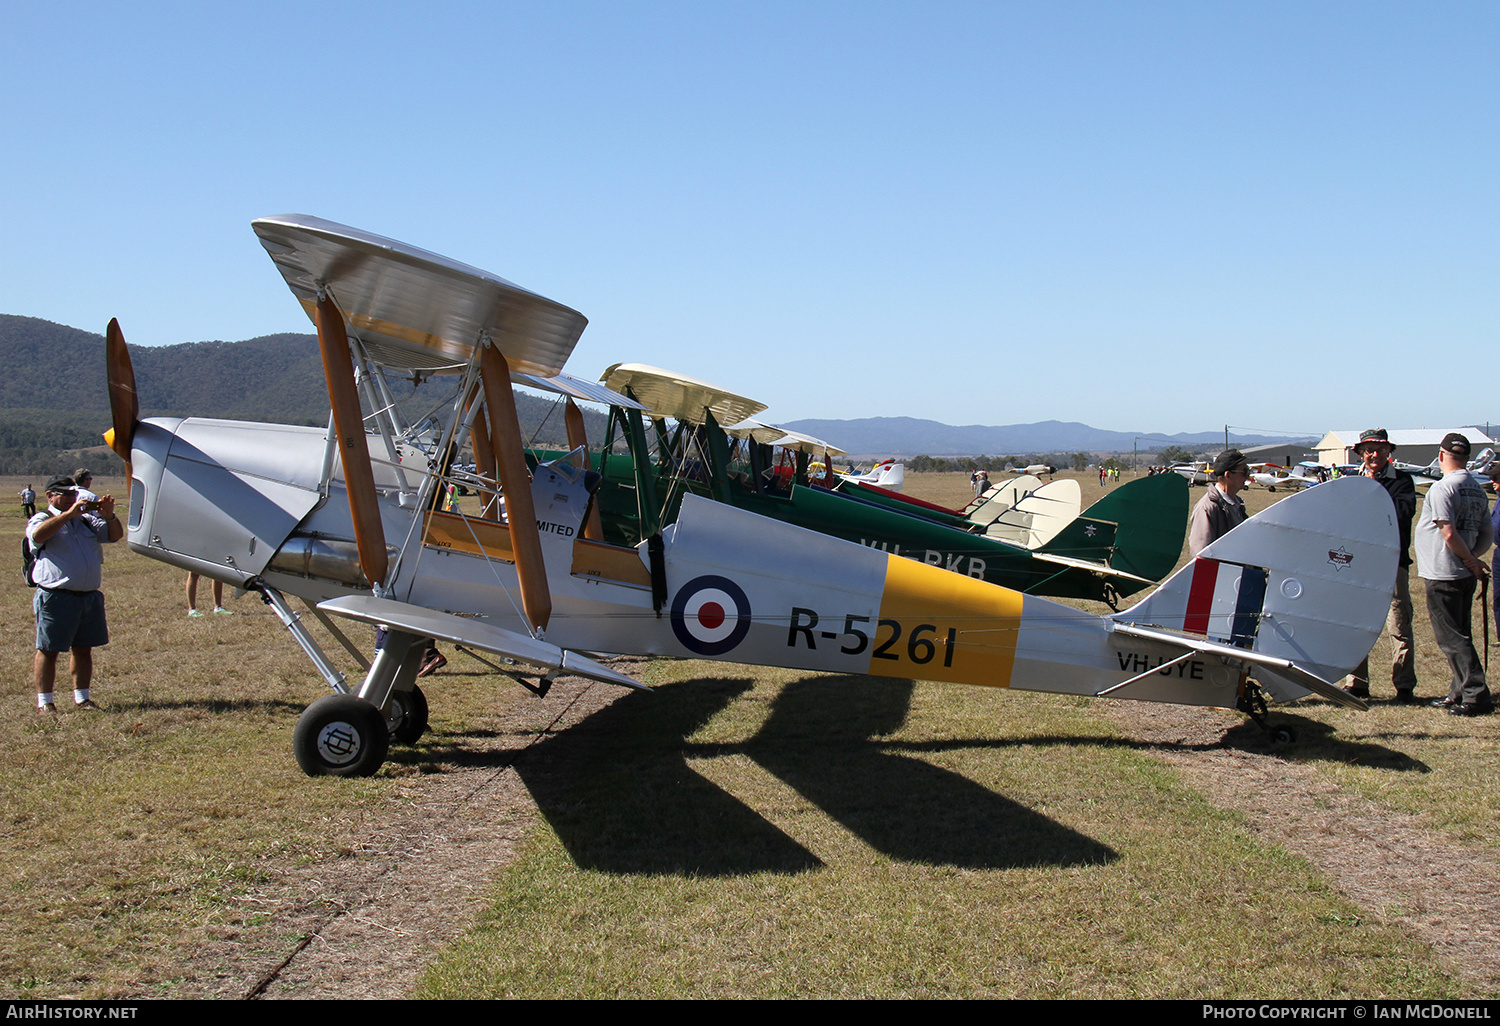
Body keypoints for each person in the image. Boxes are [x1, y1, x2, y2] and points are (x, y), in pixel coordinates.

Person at [26, 476, 124, 714]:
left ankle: (82, 699)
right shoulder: (42, 517)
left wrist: (109, 514)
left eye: (74, 493)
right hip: (56, 596)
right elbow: (37, 536)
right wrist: (68, 515)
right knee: (48, 649)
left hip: (88, 596)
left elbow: (115, 535)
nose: (72, 498)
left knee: (83, 648)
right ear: (50, 496)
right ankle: (45, 702)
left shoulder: (87, 522)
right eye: (65, 493)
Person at [1414, 433, 1494, 716]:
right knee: (1461, 633)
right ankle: (1458, 691)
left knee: (1451, 637)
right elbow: (1487, 532)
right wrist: (1473, 559)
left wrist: (1467, 559)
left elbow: (1448, 532)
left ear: (1441, 454)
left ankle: (1475, 694)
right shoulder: (1476, 488)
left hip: (1444, 570)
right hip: (1463, 571)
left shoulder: (1442, 488)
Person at [1345, 429, 1418, 702]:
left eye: (1379, 449)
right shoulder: (1351, 481)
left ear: (1389, 452)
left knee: (1399, 624)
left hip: (1392, 562)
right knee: (1355, 623)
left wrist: (1369, 502)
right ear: (1360, 453)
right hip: (1357, 562)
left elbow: (1401, 515)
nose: (1374, 455)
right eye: (1368, 449)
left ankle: (1404, 685)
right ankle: (1357, 684)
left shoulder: (1402, 482)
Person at [1187, 449, 1251, 559]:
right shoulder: (1207, 508)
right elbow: (1202, 555)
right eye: (1244, 472)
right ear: (1228, 475)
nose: (1247, 477)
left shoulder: (1237, 504)